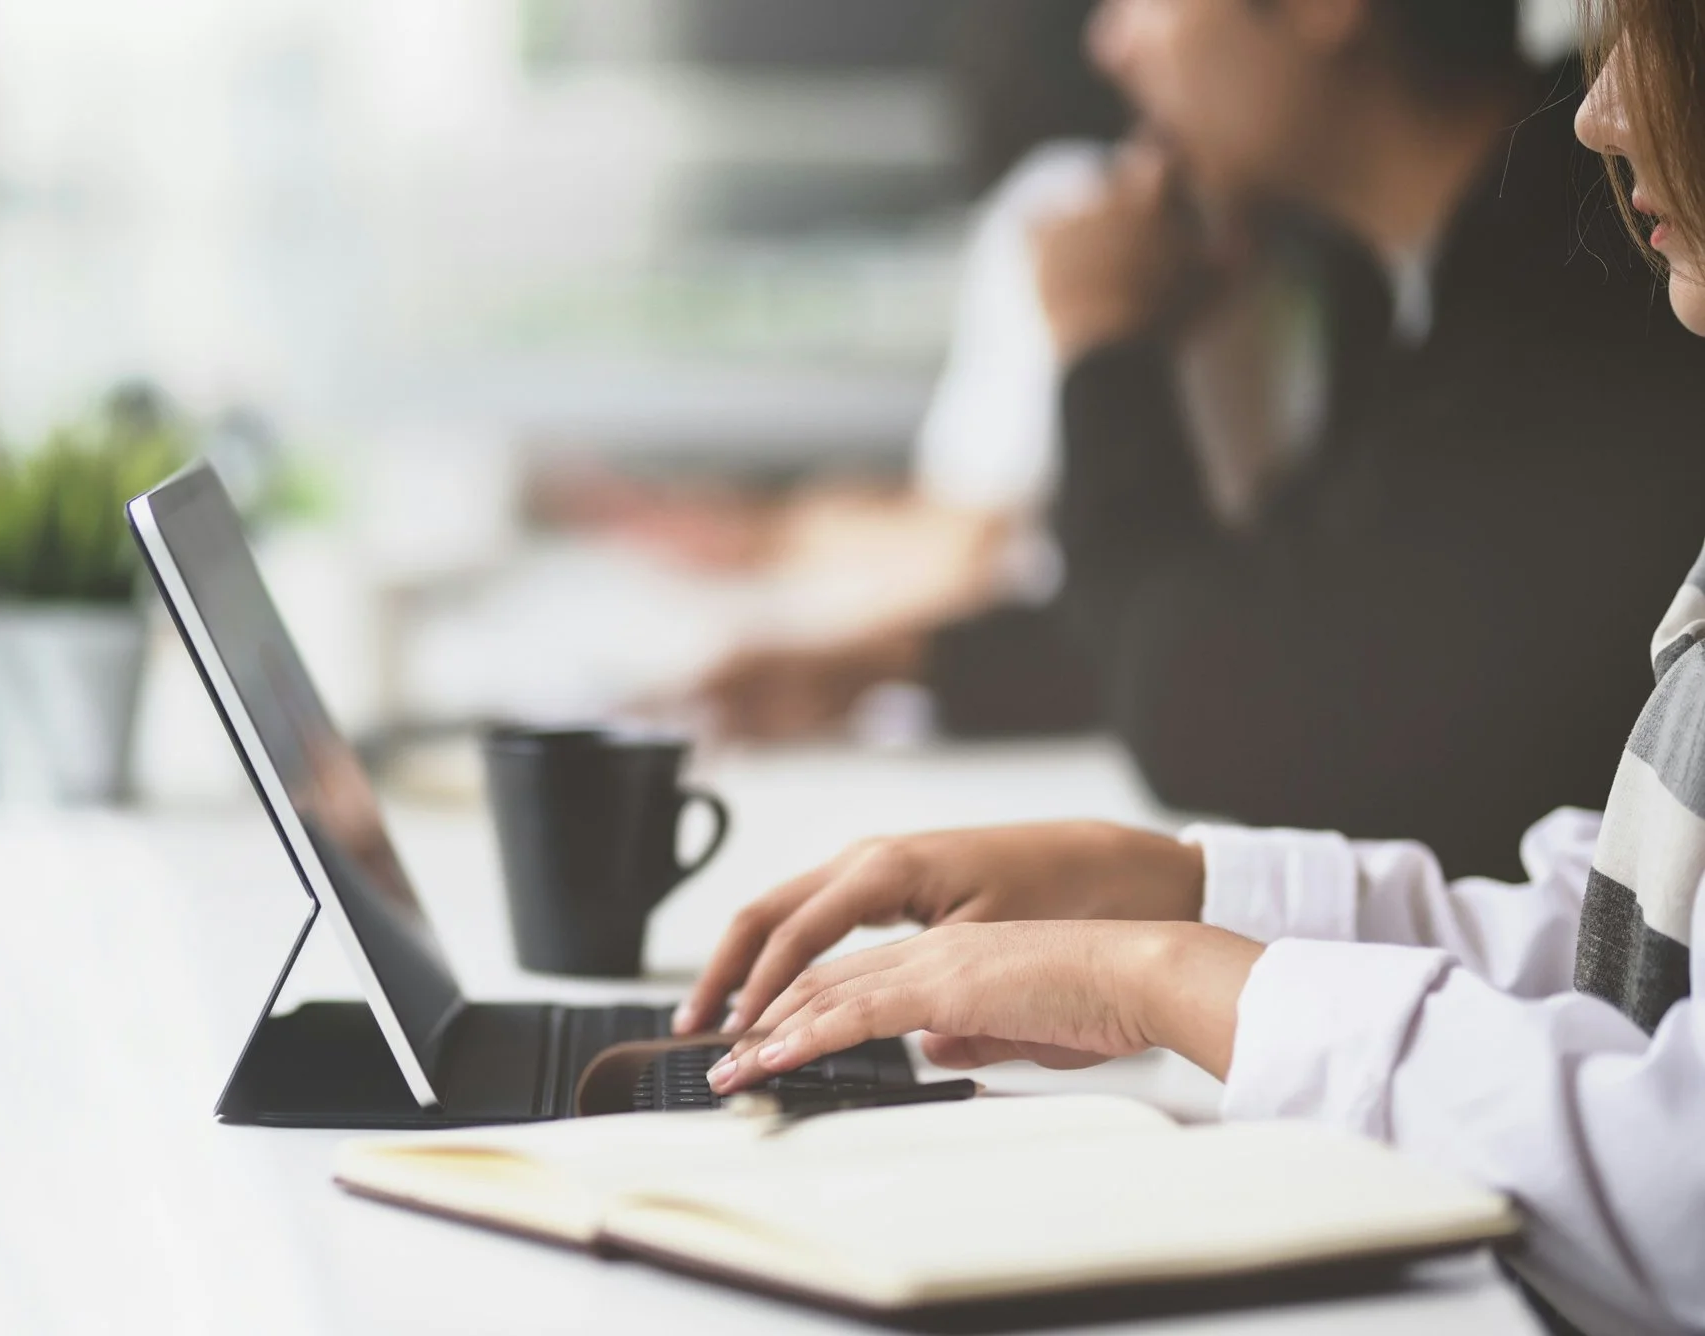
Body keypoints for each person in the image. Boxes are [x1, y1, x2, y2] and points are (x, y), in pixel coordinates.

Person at [676, 2, 1705, 1327]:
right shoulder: (1397, 282)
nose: (1594, 114)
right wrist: (1167, 887)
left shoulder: (1570, 301)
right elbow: (1625, 946)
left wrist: (1155, 976)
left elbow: (1232, 693)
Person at [697, 0, 1705, 882]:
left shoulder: (1589, 284)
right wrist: (903, 661)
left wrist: (1102, 346)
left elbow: (1216, 707)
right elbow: (1298, 612)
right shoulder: (1414, 269)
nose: (1108, 41)